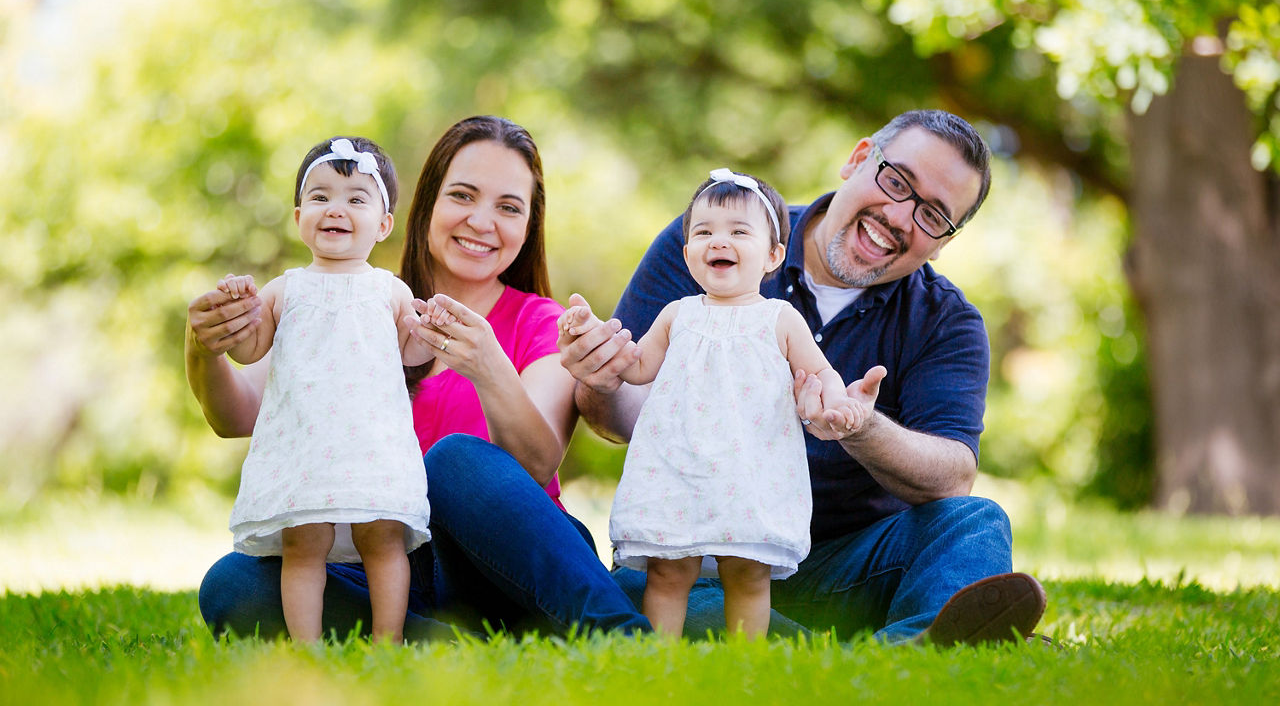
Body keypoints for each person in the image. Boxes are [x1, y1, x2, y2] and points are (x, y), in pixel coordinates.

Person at [559, 110, 1048, 645]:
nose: (900, 216)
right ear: (859, 159)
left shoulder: (946, 321)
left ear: (944, 240)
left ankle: (852, 645)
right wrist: (600, 378)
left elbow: (951, 477)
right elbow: (622, 407)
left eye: (932, 214)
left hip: (849, 567)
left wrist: (858, 426)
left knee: (974, 523)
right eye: (897, 181)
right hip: (703, 554)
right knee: (643, 586)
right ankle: (894, 651)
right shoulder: (715, 237)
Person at [186, 116, 650, 641]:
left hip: (514, 562)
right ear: (424, 204)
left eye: (508, 207)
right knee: (233, 584)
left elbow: (536, 465)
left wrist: (488, 365)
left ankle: (620, 632)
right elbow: (236, 415)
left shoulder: (542, 322)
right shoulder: (363, 302)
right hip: (390, 562)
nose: (481, 221)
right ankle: (441, 641)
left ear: (528, 226)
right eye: (463, 195)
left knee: (454, 460)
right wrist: (204, 349)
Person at [559, 169, 864, 638]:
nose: (718, 241)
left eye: (739, 232)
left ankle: (744, 665)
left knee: (746, 574)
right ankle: (658, 662)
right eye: (704, 232)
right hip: (680, 469)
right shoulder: (676, 314)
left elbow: (820, 372)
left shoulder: (779, 319)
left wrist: (839, 402)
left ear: (773, 255)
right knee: (667, 573)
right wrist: (594, 339)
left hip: (749, 473)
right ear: (687, 255)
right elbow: (638, 369)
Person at [213, 136, 430, 644]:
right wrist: (239, 312)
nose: (336, 209)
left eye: (356, 198)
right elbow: (250, 352)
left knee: (383, 539)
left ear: (383, 224)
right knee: (303, 543)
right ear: (298, 216)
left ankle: (388, 637)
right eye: (320, 196)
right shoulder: (284, 289)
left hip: (373, 447)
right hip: (304, 447)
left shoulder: (390, 290)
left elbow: (413, 355)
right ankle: (306, 646)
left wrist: (429, 329)